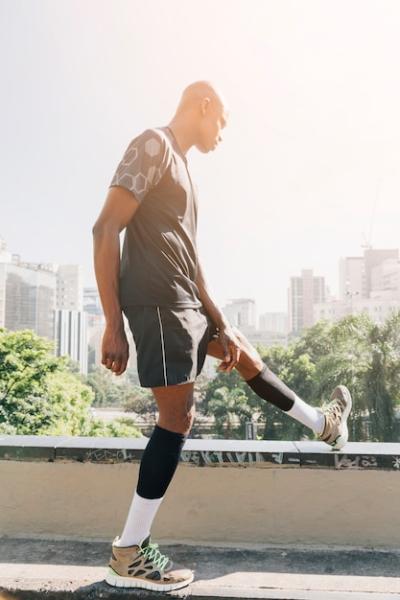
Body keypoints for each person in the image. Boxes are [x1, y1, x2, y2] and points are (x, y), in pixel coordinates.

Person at [92, 81, 352, 592]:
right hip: (158, 300)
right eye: (223, 123)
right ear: (203, 105)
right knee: (178, 416)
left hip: (186, 299)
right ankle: (128, 553)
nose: (222, 135)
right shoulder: (153, 145)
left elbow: (191, 257)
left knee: (246, 353)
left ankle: (322, 424)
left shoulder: (185, 171)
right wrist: (112, 322)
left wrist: (221, 320)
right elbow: (105, 229)